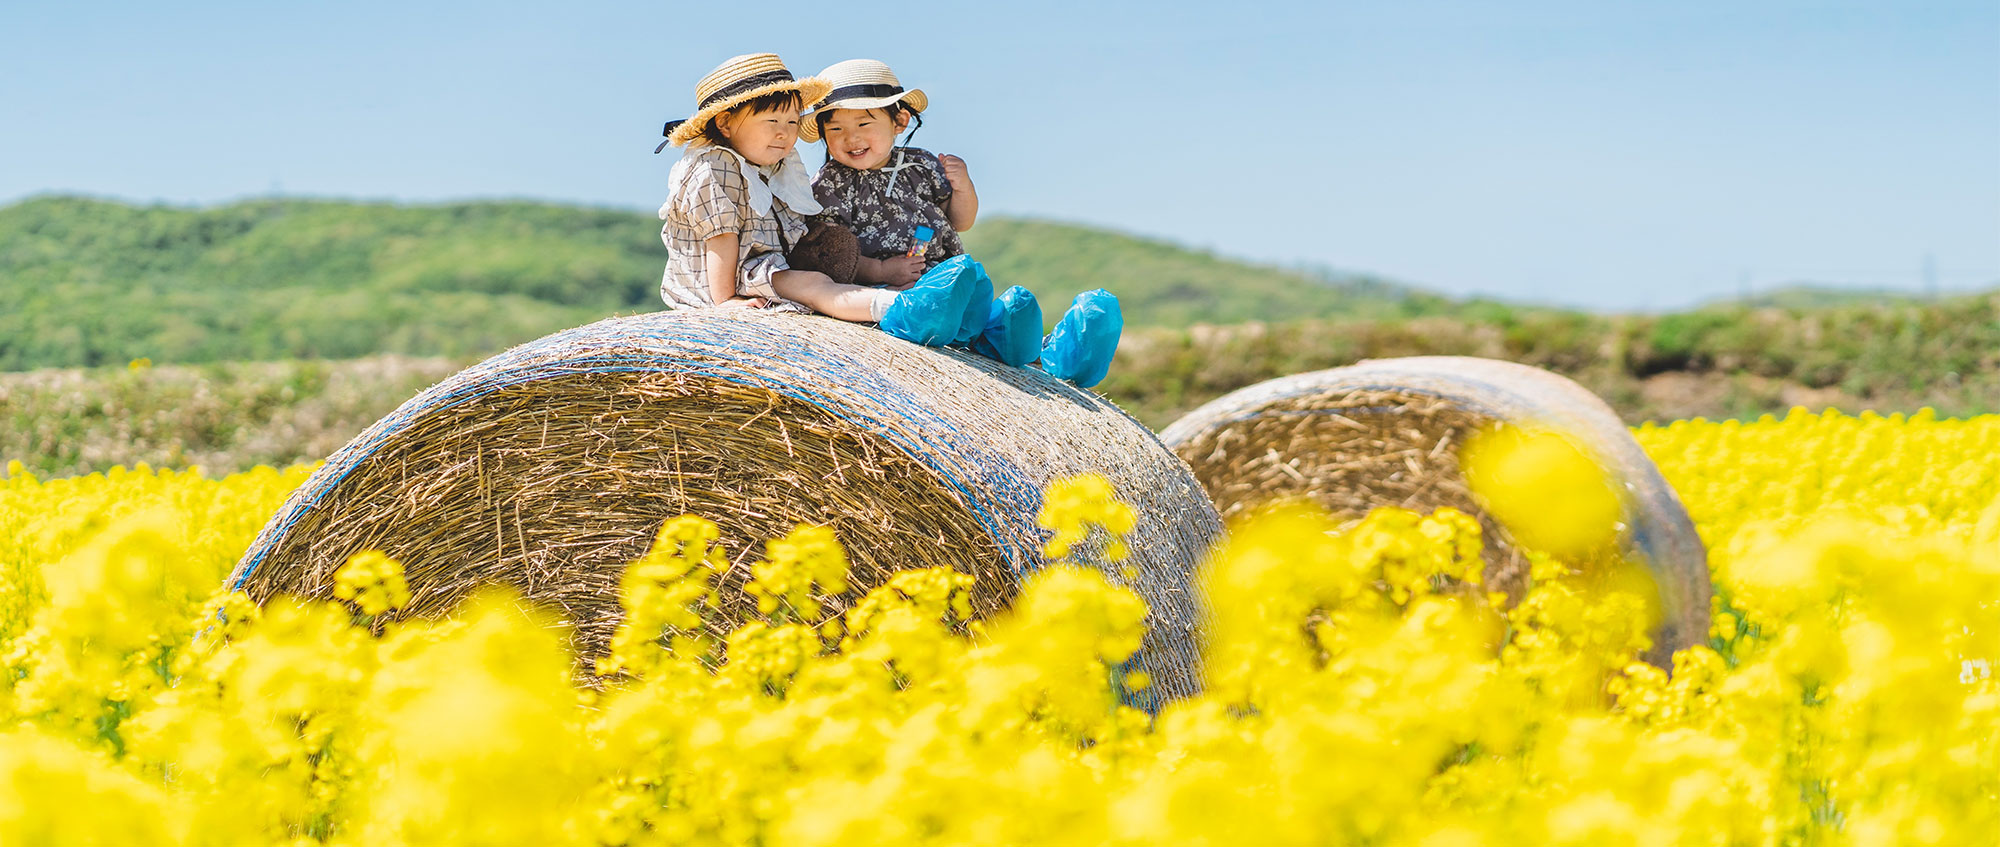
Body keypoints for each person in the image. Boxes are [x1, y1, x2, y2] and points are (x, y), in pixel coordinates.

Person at [806, 59, 1122, 387]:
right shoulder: (831, 182)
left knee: (993, 309)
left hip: (949, 277)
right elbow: (829, 255)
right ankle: (979, 330)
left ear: (899, 121)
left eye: (863, 124)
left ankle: (1067, 352)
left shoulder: (922, 164)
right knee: (950, 311)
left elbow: (962, 221)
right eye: (835, 129)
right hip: (892, 289)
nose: (850, 138)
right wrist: (881, 272)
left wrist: (963, 187)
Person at [654, 53, 978, 346]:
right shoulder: (715, 168)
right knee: (816, 285)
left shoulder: (773, 166)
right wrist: (725, 302)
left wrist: (962, 187)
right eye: (772, 122)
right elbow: (721, 239)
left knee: (817, 282)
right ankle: (900, 307)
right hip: (726, 280)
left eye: (792, 122)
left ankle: (989, 323)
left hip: (766, 270)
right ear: (724, 123)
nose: (784, 133)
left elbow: (957, 220)